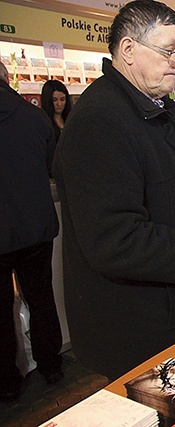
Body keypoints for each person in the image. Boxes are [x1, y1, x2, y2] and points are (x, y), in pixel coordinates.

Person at [52, 0, 175, 380]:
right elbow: (113, 239)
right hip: (143, 329)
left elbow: (158, 188)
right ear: (128, 50)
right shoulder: (100, 121)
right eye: (168, 50)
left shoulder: (160, 106)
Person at [0, 62, 63, 401]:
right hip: (36, 226)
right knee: (41, 299)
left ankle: (7, 382)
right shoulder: (33, 117)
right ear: (7, 79)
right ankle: (51, 365)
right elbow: (55, 166)